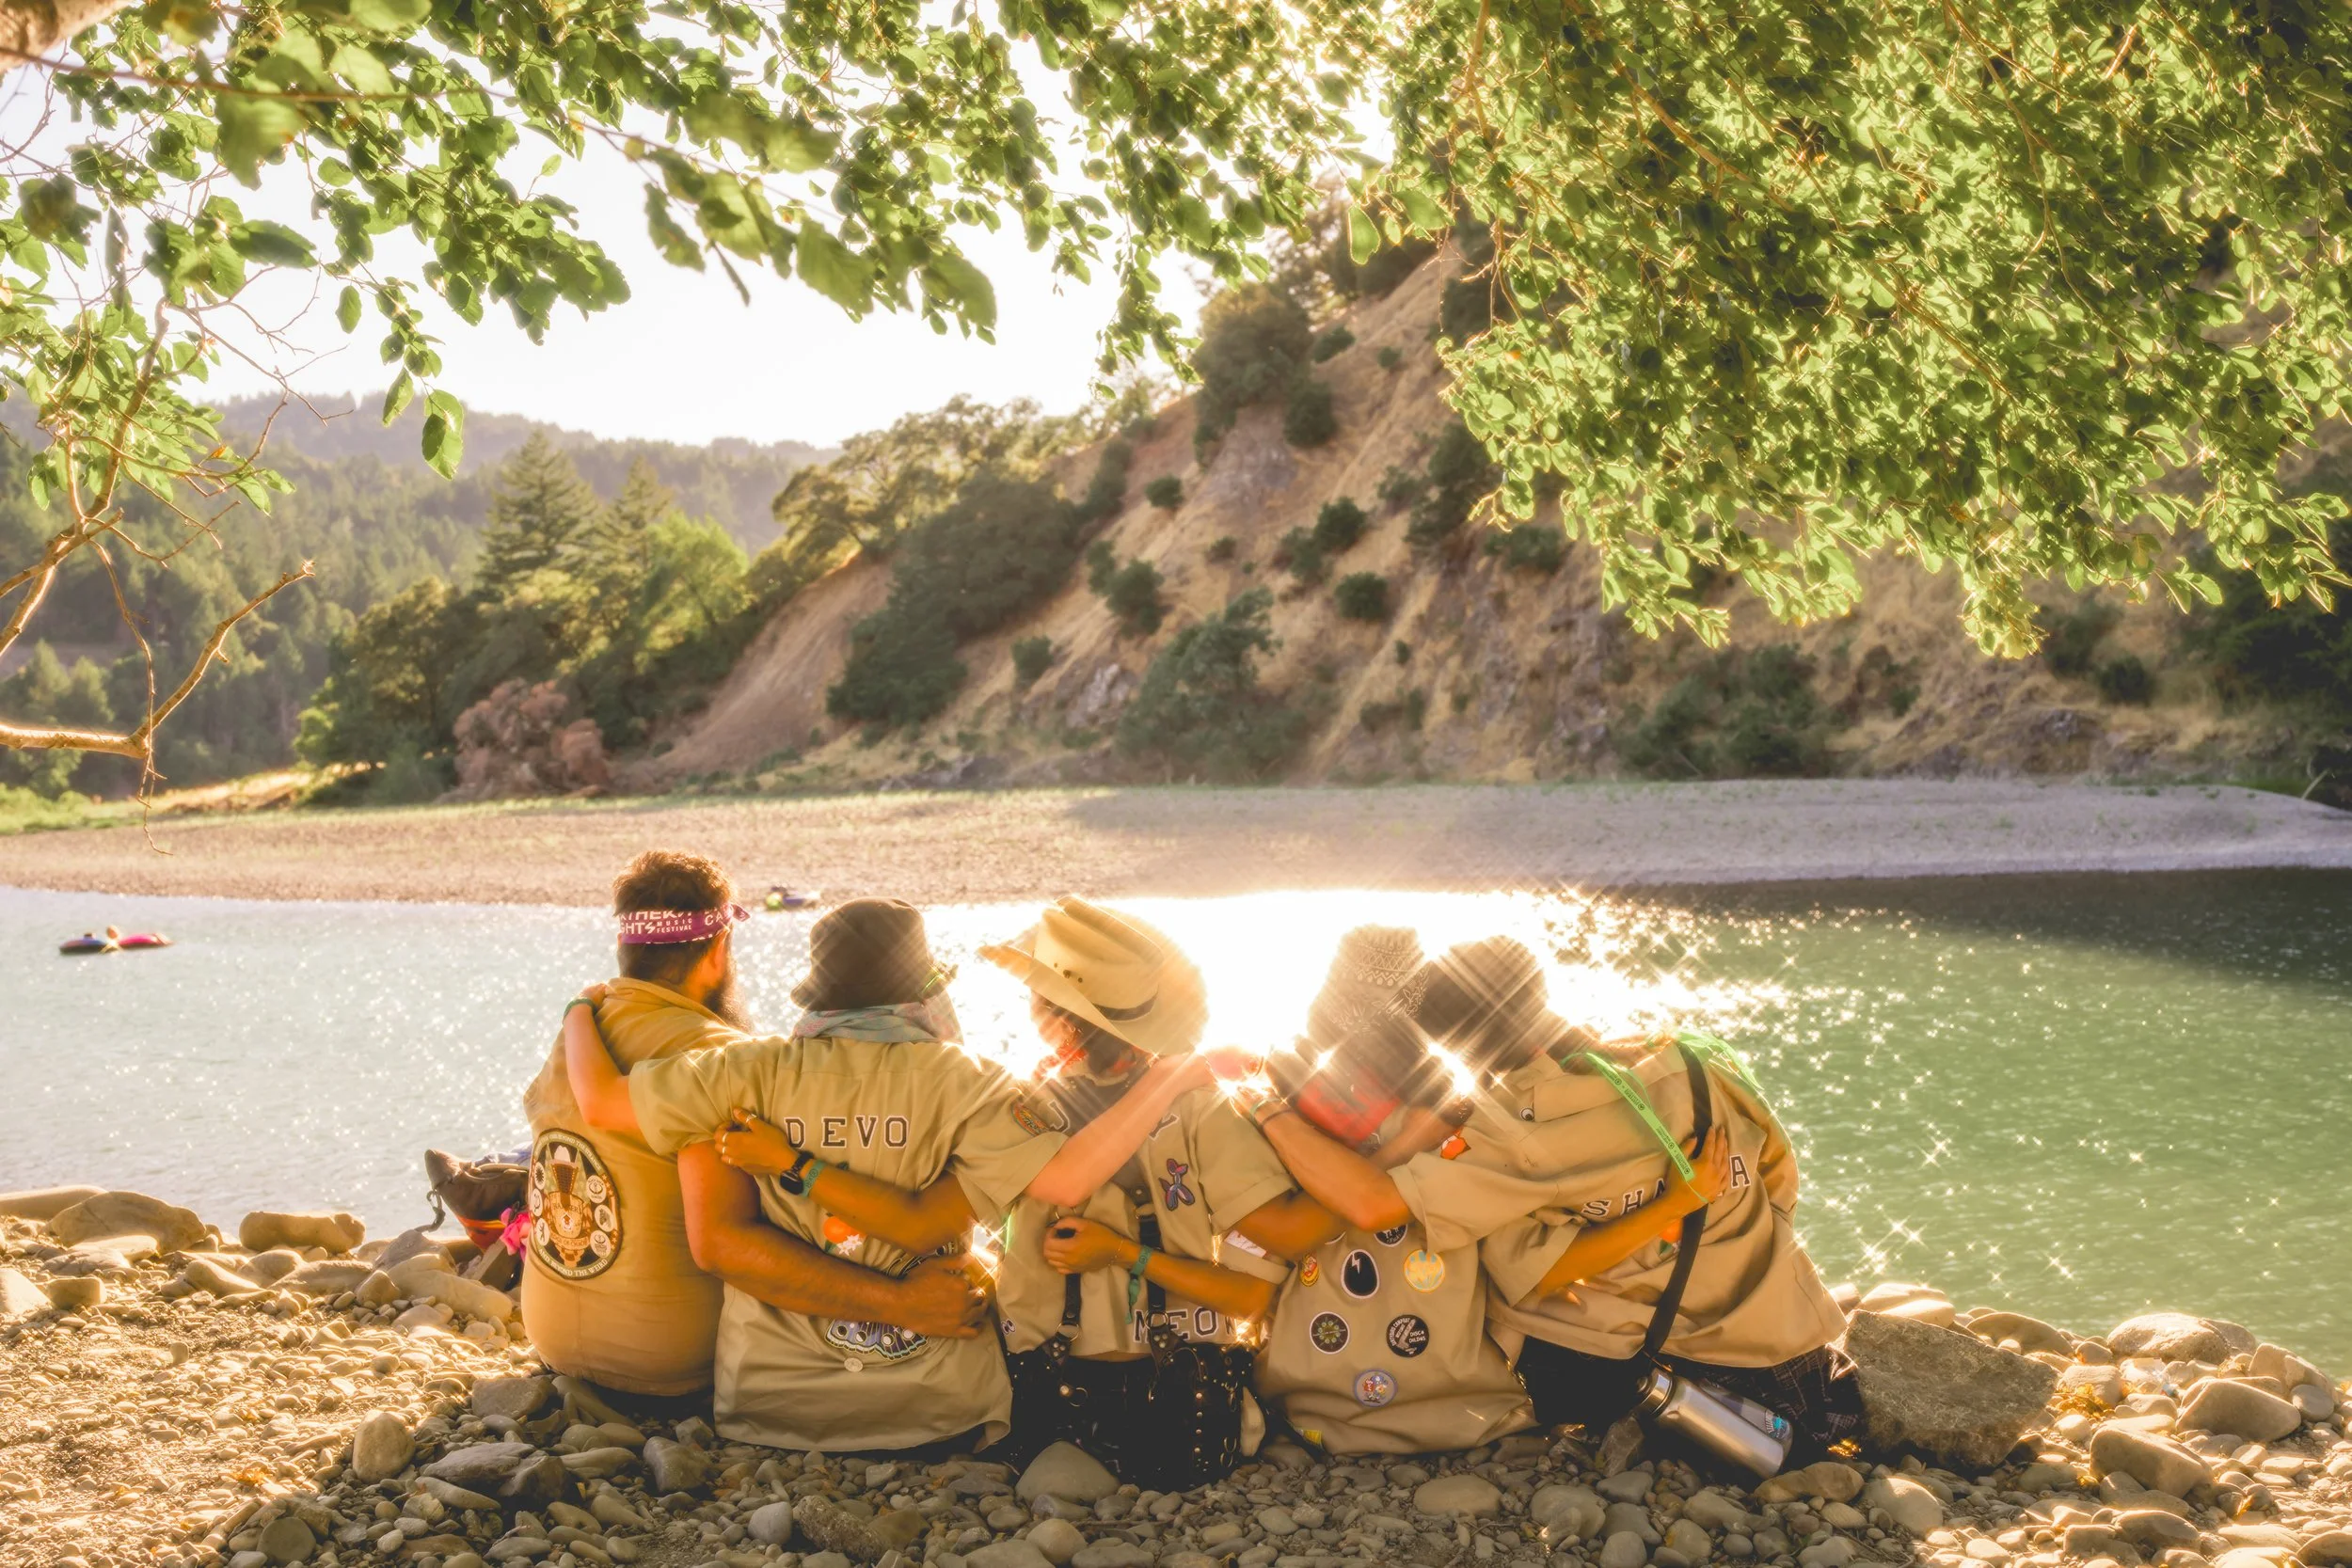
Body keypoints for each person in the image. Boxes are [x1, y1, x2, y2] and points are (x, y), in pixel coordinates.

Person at [560, 896, 1230, 1453]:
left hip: (772, 1411)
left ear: (819, 992)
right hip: (943, 1411)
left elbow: (600, 1100)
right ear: (921, 989)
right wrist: (1170, 1076)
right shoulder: (966, 1080)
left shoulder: (744, 1069)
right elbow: (1064, 1181)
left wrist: (581, 1010)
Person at [713, 897, 1326, 1487]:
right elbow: (1261, 1270)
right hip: (1188, 1403)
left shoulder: (1015, 1108)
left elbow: (940, 1216)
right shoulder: (1200, 1107)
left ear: (1055, 1017)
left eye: (1035, 999)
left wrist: (795, 1163)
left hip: (1049, 1398)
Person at [1247, 936, 1853, 1458]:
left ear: (1457, 1045)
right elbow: (1778, 1174)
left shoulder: (1512, 1131)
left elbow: (1375, 1206)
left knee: (1494, 1260)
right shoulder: (1691, 1058)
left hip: (1691, 1373)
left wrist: (1263, 1106)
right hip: (1799, 1356)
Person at [1251, 927, 1535, 1455]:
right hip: (1461, 1401)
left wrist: (1269, 1109)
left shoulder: (1290, 1103)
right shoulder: (1463, 1108)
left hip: (1315, 1397)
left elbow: (1351, 1210)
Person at [517, 848, 754, 1401]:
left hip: (551, 1338)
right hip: (672, 1360)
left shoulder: (579, 1033)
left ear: (625, 949)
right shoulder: (718, 1051)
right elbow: (726, 1242)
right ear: (718, 949)